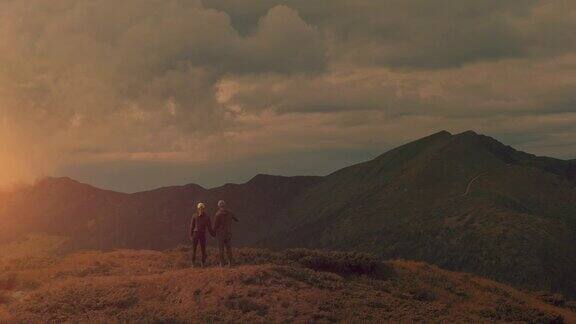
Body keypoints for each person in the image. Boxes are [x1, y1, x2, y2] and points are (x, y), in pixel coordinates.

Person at [213, 200, 239, 267]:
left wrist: (213, 233)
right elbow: (236, 219)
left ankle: (222, 264)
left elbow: (215, 226)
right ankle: (231, 263)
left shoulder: (217, 214)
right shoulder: (230, 213)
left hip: (220, 234)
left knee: (221, 249)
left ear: (219, 206)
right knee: (229, 249)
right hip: (228, 233)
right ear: (225, 205)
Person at [189, 202, 214, 267]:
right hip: (201, 234)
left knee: (195, 249)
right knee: (202, 249)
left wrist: (191, 235)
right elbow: (209, 228)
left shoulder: (194, 215)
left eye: (201, 208)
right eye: (201, 208)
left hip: (196, 234)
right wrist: (213, 234)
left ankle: (193, 263)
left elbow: (192, 226)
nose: (201, 209)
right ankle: (202, 263)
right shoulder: (206, 217)